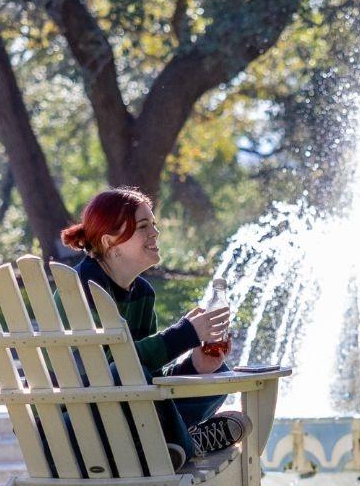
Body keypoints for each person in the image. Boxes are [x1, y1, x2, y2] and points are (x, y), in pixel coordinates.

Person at [52, 189, 247, 469]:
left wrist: (193, 366)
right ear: (110, 243)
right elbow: (102, 373)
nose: (155, 233)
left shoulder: (142, 294)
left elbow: (152, 380)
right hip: (81, 431)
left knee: (216, 373)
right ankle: (190, 444)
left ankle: (178, 443)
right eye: (143, 226)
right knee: (128, 373)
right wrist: (182, 335)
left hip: (128, 420)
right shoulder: (79, 289)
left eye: (153, 224)